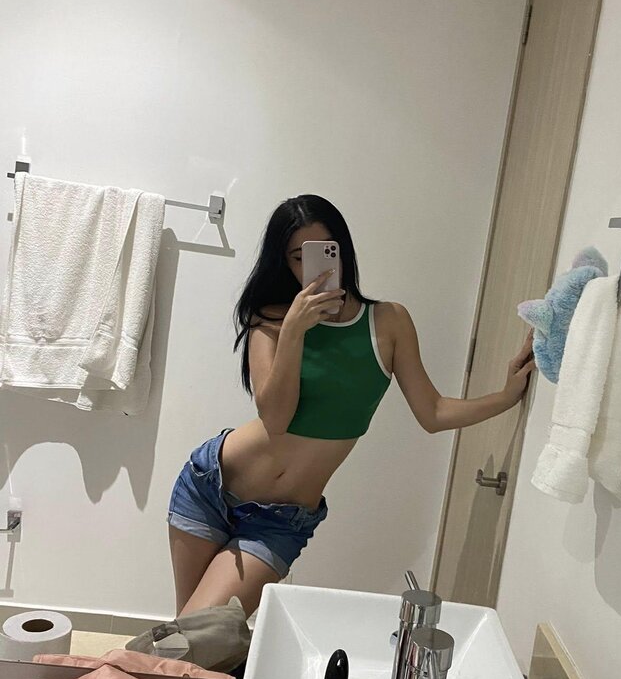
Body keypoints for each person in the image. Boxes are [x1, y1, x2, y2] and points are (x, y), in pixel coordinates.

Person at [168, 195, 533, 617]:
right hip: (211, 482)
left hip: (279, 521)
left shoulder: (388, 321)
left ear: (342, 250)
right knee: (185, 640)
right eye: (298, 257)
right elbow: (276, 418)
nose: (314, 266)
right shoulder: (269, 319)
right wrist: (294, 331)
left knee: (196, 636)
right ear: (284, 262)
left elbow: (433, 413)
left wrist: (506, 396)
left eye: (326, 250)